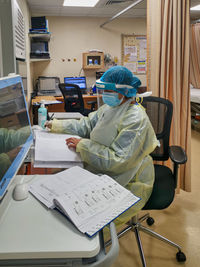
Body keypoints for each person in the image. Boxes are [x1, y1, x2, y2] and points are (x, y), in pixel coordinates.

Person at [45, 66, 159, 228]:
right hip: (100, 166)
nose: (105, 94)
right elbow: (87, 125)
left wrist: (83, 145)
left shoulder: (135, 119)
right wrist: (56, 125)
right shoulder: (110, 108)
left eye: (109, 90)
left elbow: (118, 161)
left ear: (124, 92)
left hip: (128, 177)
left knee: (86, 222)